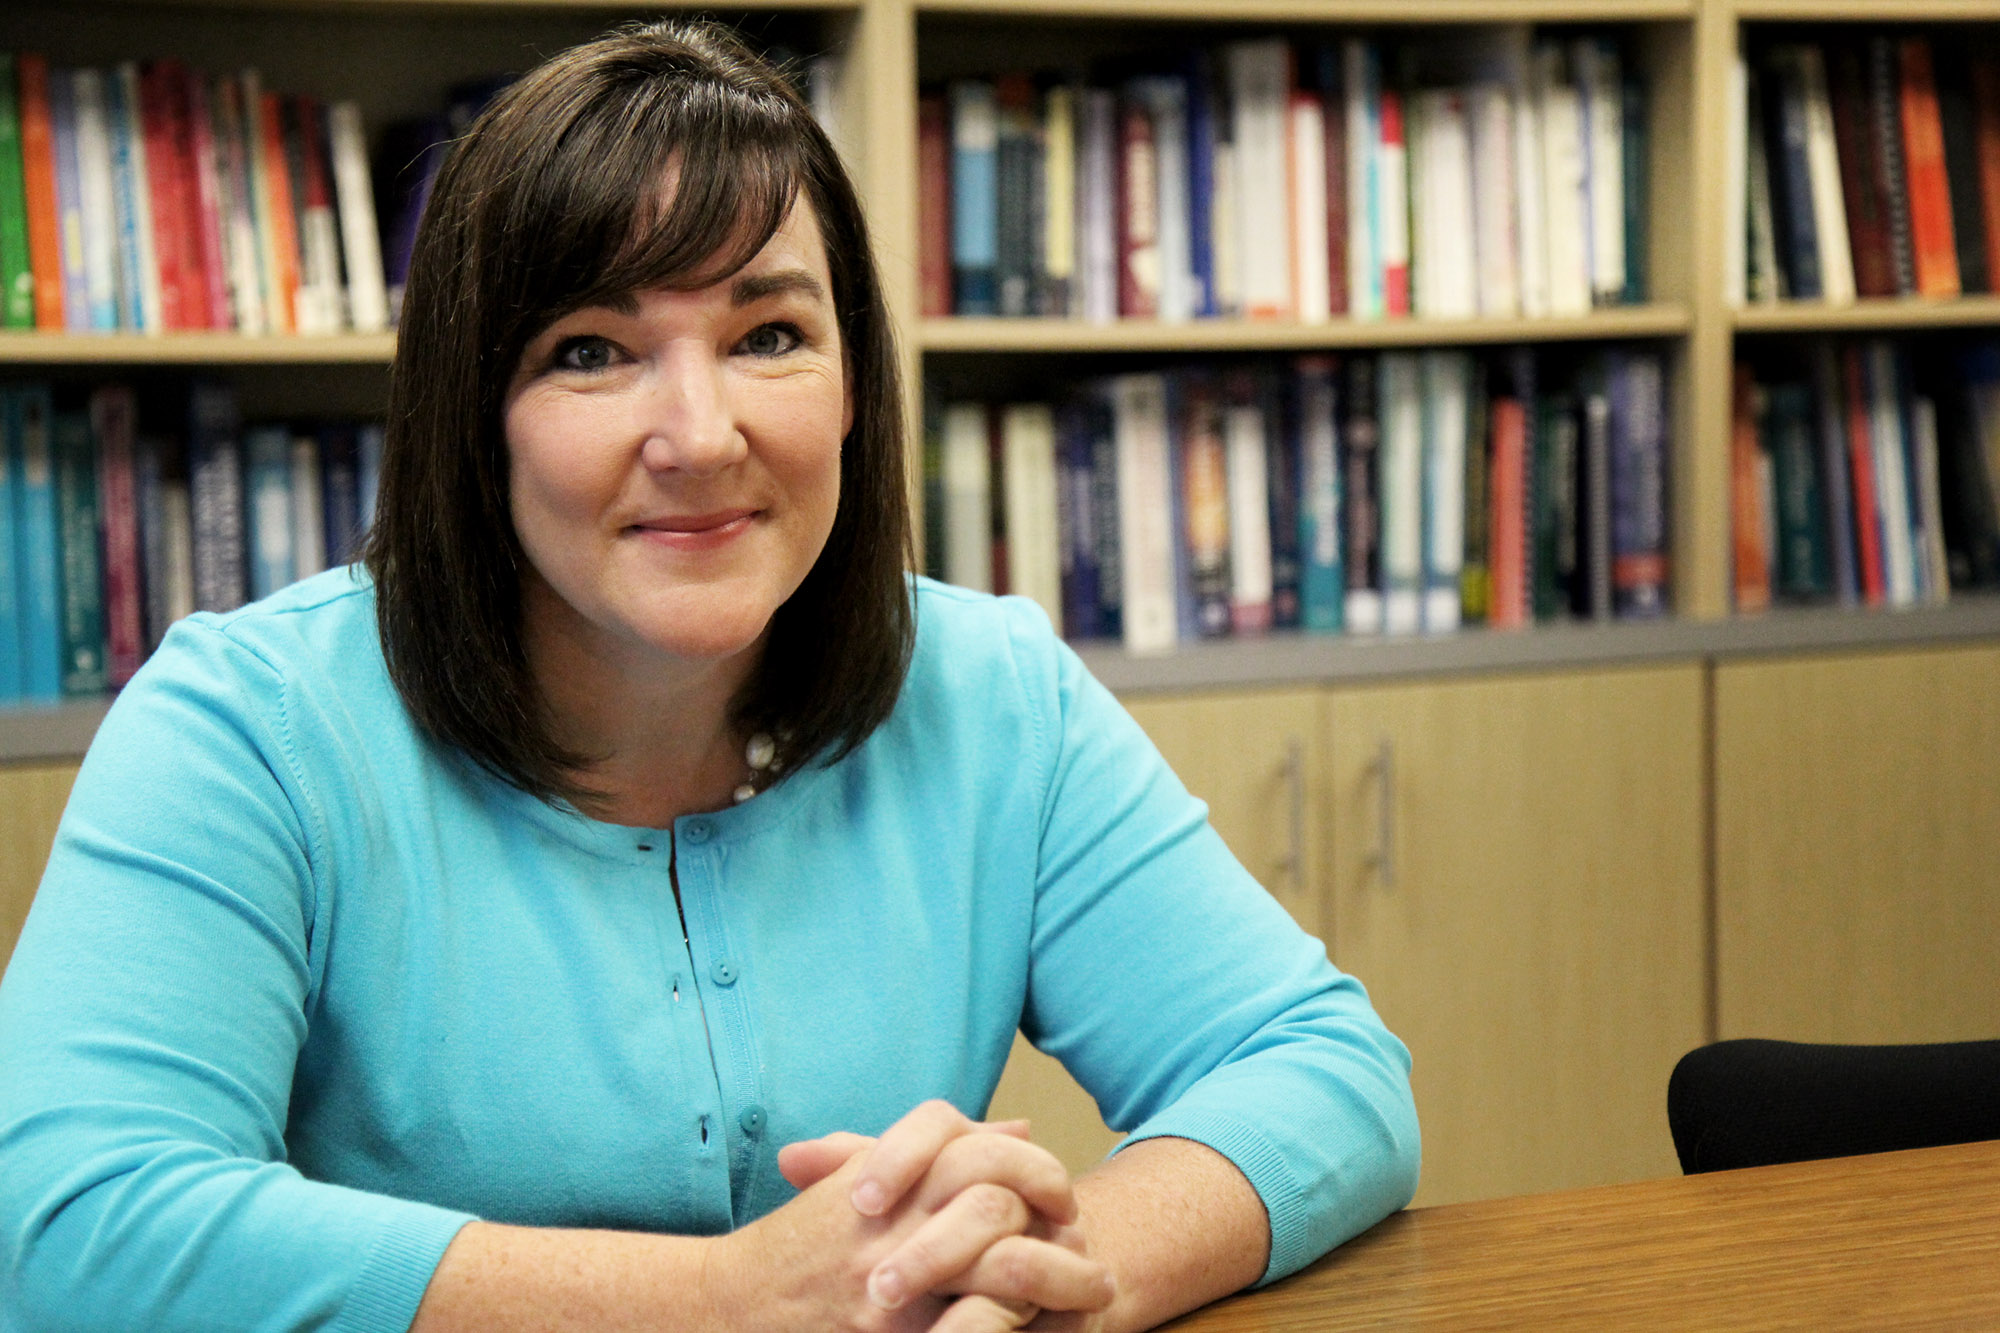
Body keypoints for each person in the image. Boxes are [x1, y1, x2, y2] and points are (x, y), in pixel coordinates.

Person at [0, 20, 1419, 1332]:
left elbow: (1328, 1071)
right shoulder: (248, 725)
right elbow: (63, 1226)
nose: (702, 430)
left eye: (770, 335)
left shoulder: (993, 693)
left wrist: (1042, 1278)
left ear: (857, 381)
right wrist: (729, 1300)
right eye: (594, 351)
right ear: (471, 417)